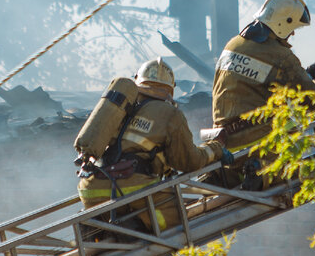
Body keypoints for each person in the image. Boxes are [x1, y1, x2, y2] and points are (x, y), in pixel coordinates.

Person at [211, 0, 315, 185]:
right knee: (305, 168)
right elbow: (313, 99)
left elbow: (257, 85)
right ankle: (265, 174)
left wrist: (307, 77)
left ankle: (255, 171)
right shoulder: (280, 56)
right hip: (258, 144)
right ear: (282, 23)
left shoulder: (233, 45)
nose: (293, 33)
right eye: (292, 27)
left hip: (225, 145)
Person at [76, 58, 226, 234]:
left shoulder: (119, 107)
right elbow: (189, 161)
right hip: (134, 187)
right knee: (177, 226)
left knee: (132, 232)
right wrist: (216, 148)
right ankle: (148, 242)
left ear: (138, 81)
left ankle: (109, 232)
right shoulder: (170, 114)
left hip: (91, 189)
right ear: (170, 88)